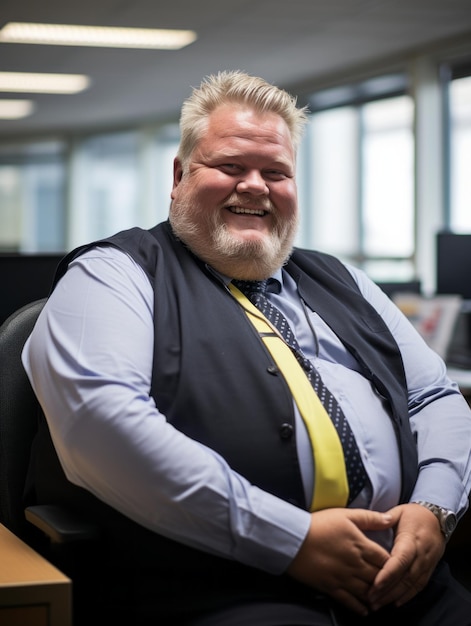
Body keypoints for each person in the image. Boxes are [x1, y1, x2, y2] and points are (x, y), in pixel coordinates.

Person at [22, 70, 471, 626]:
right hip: (219, 589)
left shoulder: (343, 280)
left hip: (403, 582)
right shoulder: (116, 274)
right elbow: (101, 421)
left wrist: (434, 509)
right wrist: (292, 540)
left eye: (276, 172)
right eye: (231, 167)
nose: (256, 185)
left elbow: (433, 396)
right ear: (180, 175)